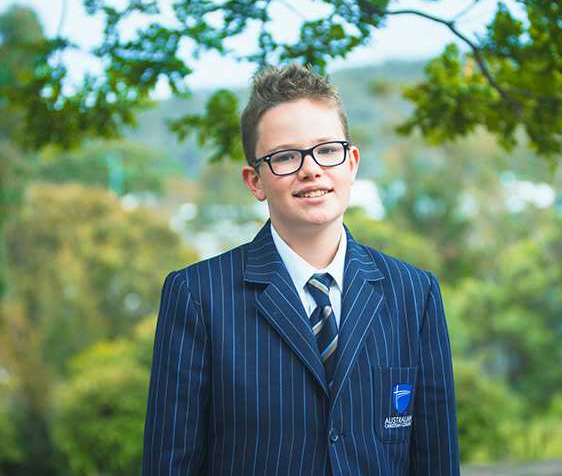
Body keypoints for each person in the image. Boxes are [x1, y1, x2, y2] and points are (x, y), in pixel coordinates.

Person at [142, 65, 459, 475]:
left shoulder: (414, 293)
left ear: (352, 162)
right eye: (286, 157)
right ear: (255, 181)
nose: (311, 169)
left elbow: (436, 461)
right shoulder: (198, 296)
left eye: (327, 150)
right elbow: (170, 464)